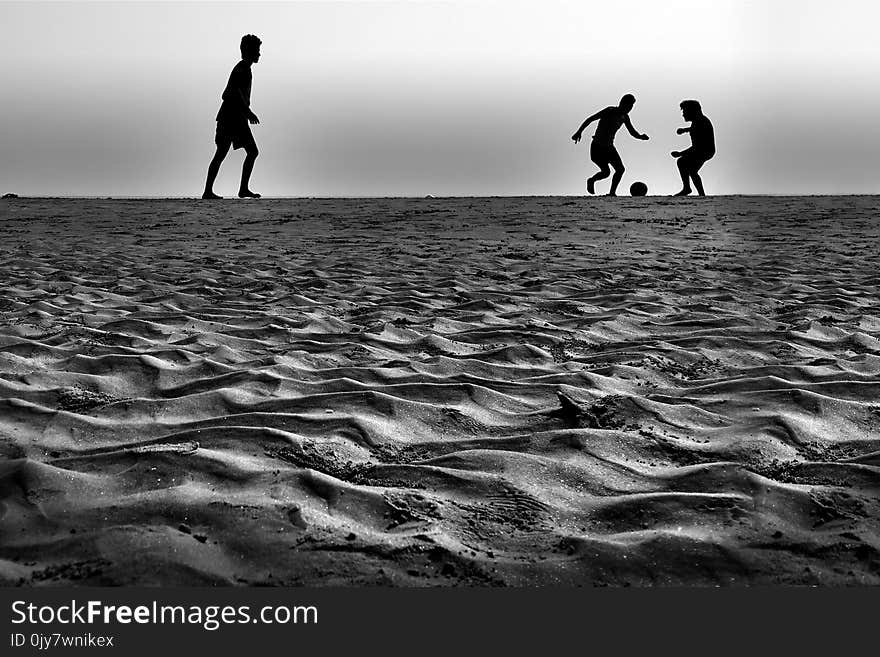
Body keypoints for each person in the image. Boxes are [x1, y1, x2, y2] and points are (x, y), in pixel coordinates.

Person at [203, 34, 262, 199]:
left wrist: (245, 112)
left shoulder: (246, 69)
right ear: (249, 51)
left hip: (238, 118)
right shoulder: (241, 69)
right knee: (225, 152)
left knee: (250, 152)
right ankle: (209, 191)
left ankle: (242, 189)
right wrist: (247, 111)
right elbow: (228, 93)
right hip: (230, 118)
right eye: (257, 50)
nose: (259, 54)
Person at [571, 94, 649, 196]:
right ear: (622, 103)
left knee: (620, 170)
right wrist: (579, 132)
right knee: (606, 172)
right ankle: (591, 180)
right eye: (628, 106)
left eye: (631, 107)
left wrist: (641, 136)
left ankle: (612, 193)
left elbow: (632, 132)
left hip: (609, 148)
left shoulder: (625, 117)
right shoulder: (609, 111)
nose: (629, 109)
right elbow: (591, 119)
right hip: (597, 147)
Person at [672, 100, 715, 196]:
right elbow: (694, 129)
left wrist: (680, 153)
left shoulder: (700, 122)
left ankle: (698, 193)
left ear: (692, 111)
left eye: (684, 112)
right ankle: (688, 188)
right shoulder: (698, 121)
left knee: (690, 168)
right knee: (684, 163)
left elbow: (697, 147)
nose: (683, 115)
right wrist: (685, 130)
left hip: (705, 151)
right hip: (703, 150)